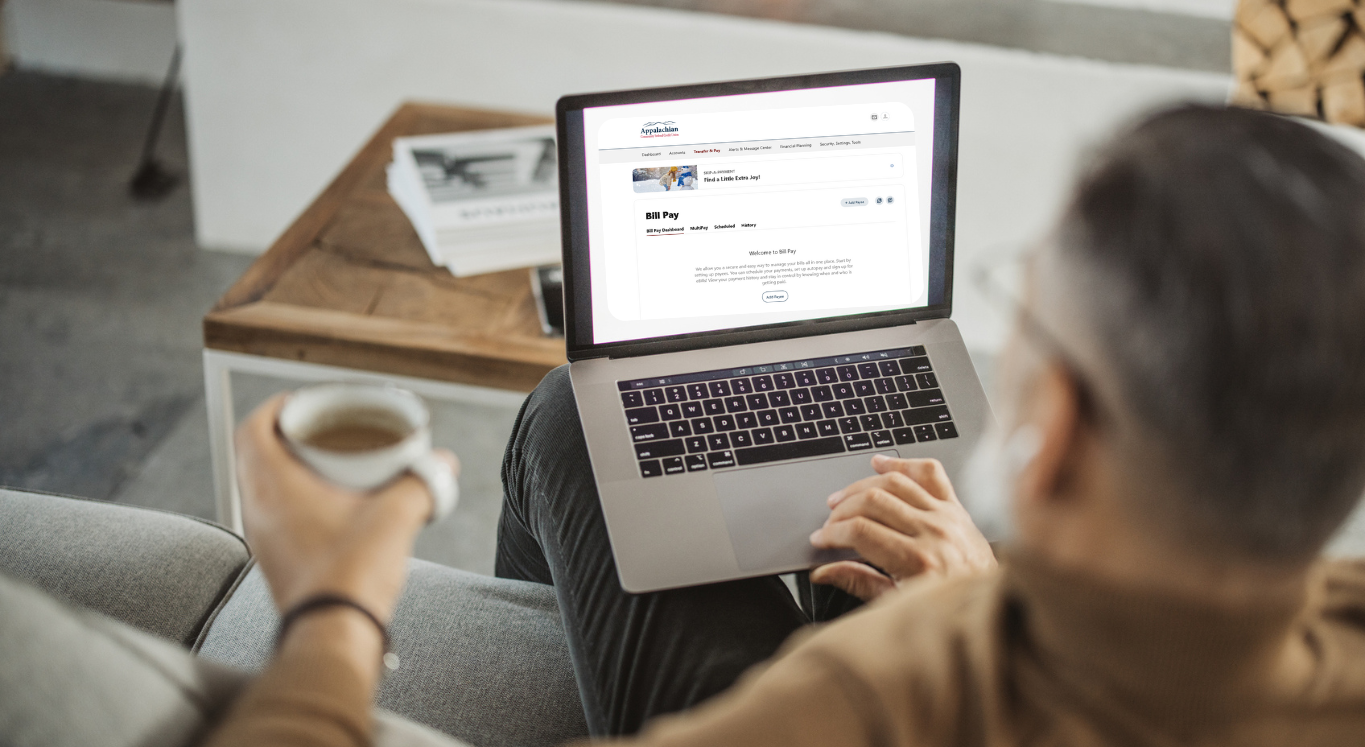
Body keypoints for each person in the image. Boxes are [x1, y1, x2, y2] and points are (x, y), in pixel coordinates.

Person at [202, 103, 1365, 744]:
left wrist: (332, 603)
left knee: (569, 411)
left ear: (1050, 429)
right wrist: (984, 577)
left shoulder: (882, 696)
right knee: (849, 517)